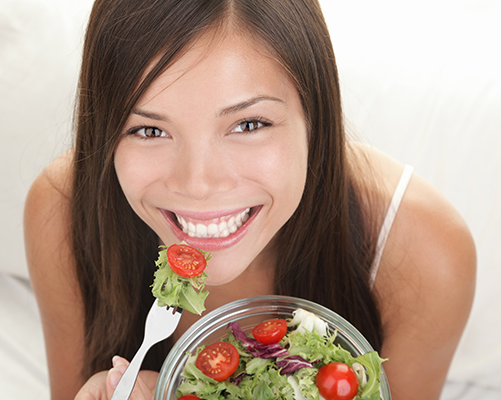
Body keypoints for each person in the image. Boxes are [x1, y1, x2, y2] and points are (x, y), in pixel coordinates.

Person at [23, 0, 476, 399]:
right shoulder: (61, 210)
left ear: (316, 114)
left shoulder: (423, 251)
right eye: (149, 130)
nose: (198, 184)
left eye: (248, 124)